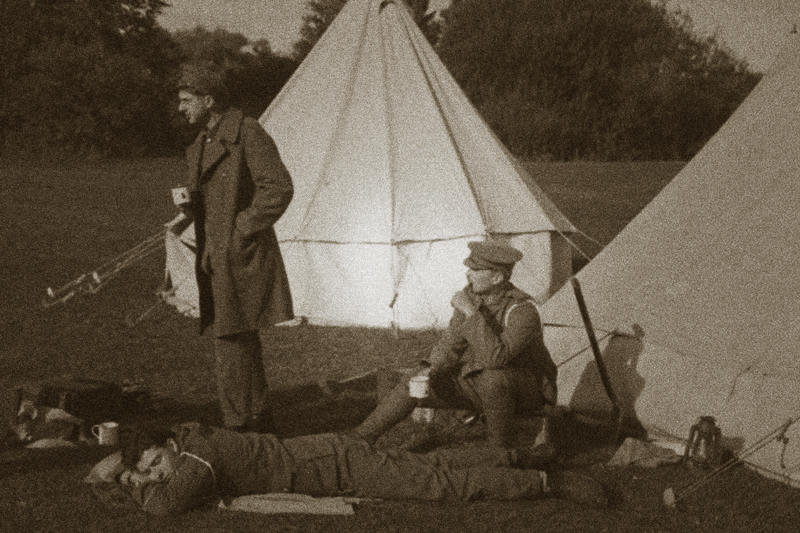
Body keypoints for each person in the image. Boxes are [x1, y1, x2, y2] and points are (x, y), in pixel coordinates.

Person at [100, 422, 607, 515]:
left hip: (333, 466)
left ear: (169, 445)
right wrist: (137, 470)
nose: (157, 473)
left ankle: (546, 481)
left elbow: (164, 508)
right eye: (147, 470)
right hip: (325, 455)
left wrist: (133, 486)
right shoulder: (189, 438)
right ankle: (521, 457)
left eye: (154, 463)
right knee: (425, 466)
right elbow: (160, 481)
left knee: (437, 484)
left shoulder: (196, 459)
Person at [171, 63, 294, 433]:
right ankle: (254, 418)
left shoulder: (248, 133)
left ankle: (241, 424)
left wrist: (241, 228)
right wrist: (190, 206)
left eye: (187, 100)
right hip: (216, 254)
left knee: (233, 338)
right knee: (235, 338)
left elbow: (278, 188)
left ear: (210, 101)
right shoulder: (200, 145)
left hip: (241, 255)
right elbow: (211, 197)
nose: (181, 108)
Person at [356, 240, 558, 452]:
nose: (467, 274)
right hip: (483, 383)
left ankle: (500, 454)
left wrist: (471, 313)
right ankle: (360, 438)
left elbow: (496, 359)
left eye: (475, 269)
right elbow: (451, 346)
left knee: (493, 378)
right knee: (417, 376)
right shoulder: (472, 298)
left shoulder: (523, 310)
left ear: (497, 277)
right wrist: (429, 370)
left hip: (527, 392)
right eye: (468, 267)